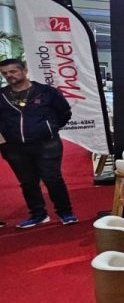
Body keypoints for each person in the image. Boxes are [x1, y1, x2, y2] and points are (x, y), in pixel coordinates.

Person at [0, 58, 76, 227]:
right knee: (27, 182)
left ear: (24, 71)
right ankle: (38, 214)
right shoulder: (2, 95)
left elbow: (64, 112)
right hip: (14, 147)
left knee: (53, 179)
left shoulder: (47, 92)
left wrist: (50, 128)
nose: (9, 75)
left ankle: (65, 213)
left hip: (46, 144)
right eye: (5, 73)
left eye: (13, 71)